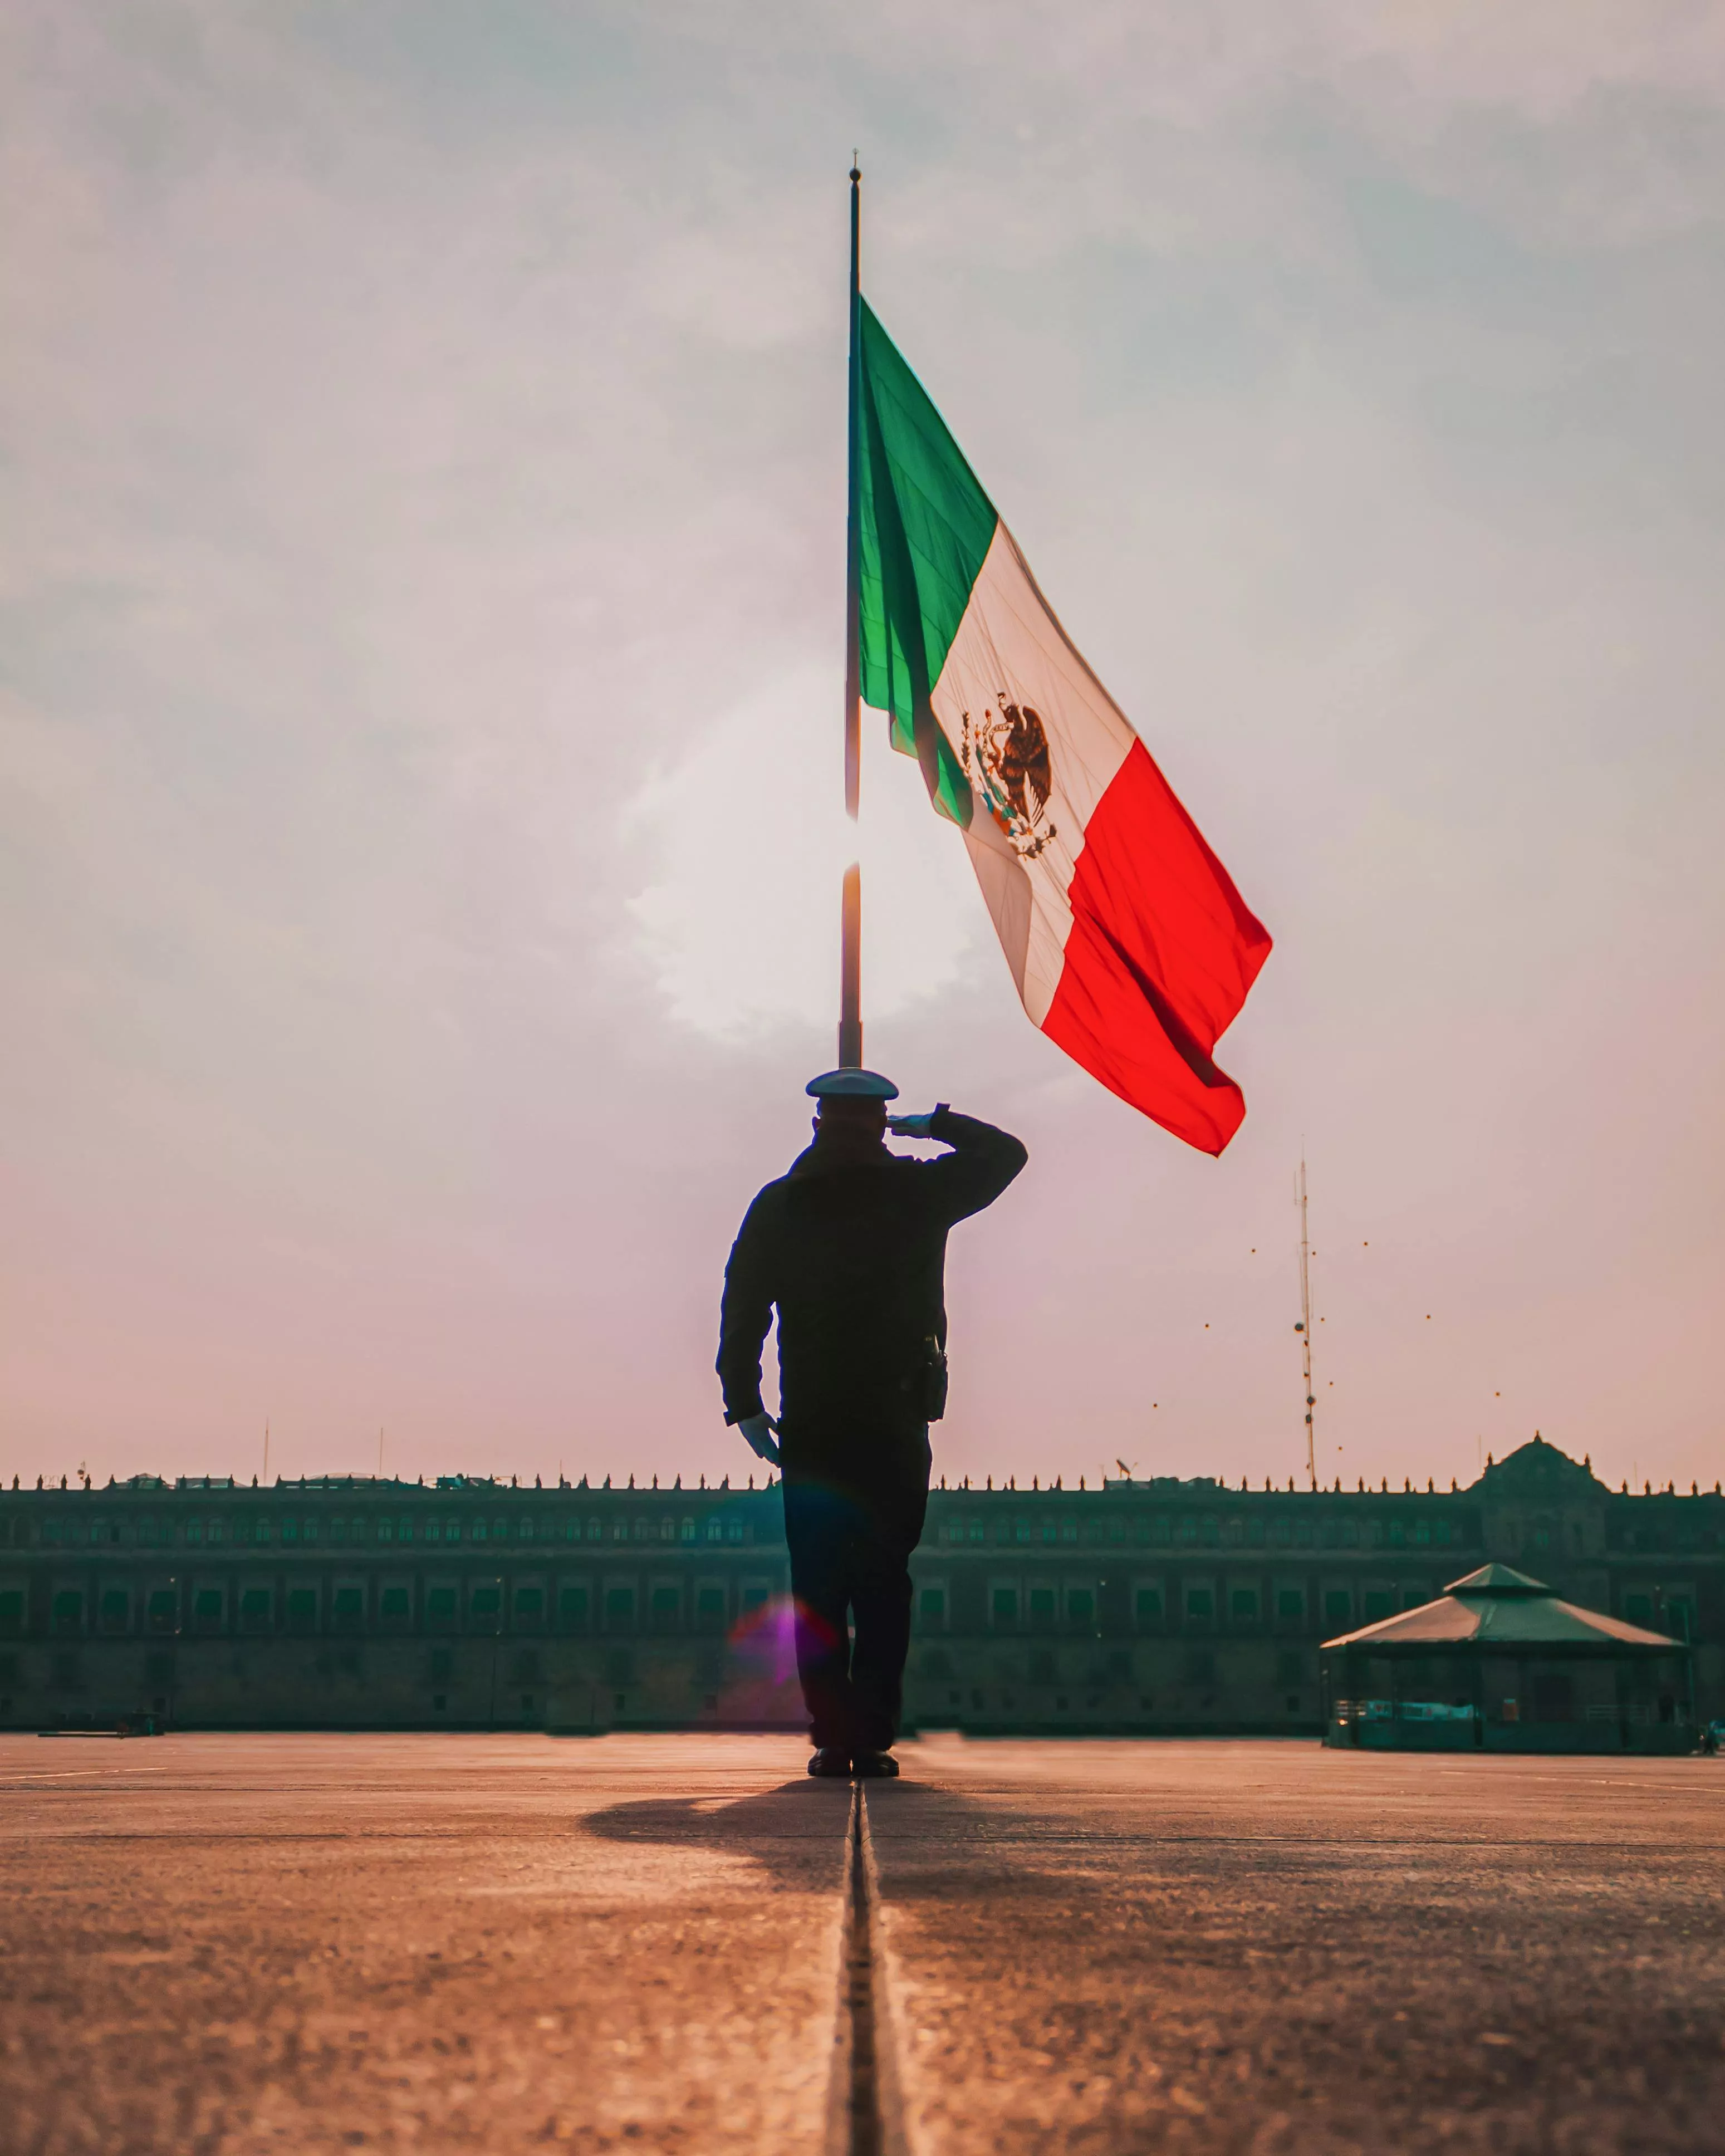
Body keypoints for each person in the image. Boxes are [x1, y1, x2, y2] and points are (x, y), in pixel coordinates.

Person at [717, 1068, 1027, 1778]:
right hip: (894, 1412)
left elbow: (743, 1305)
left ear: (817, 1122)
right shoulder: (918, 1193)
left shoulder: (782, 1202)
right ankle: (874, 1736)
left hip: (815, 1418)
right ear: (879, 1122)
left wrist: (744, 1401)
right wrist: (935, 1124)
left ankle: (832, 1735)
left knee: (819, 1580)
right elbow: (1006, 1154)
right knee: (885, 1577)